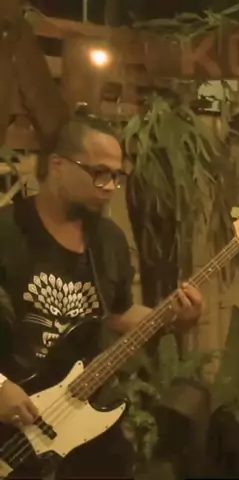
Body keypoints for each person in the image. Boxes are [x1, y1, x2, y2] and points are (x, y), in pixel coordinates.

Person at [0, 115, 205, 478]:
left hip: (82, 420)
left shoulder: (109, 241)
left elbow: (118, 313)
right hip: (12, 424)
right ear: (58, 166)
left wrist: (175, 318)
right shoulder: (7, 233)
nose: (110, 187)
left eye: (116, 176)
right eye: (99, 173)